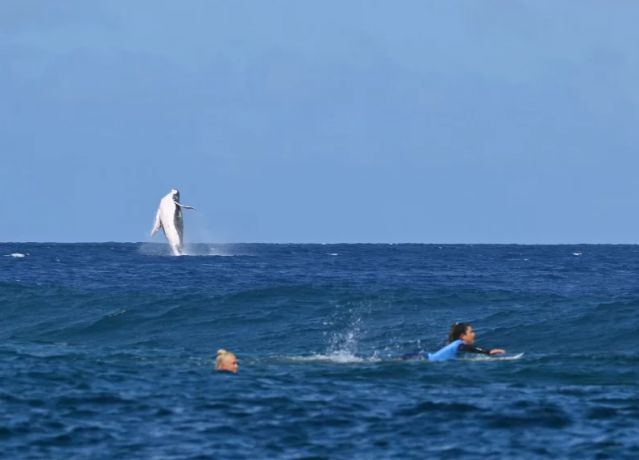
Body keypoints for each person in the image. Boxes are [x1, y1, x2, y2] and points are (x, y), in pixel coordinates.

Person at [402, 322, 505, 361]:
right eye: (471, 332)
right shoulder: (460, 345)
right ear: (463, 336)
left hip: (422, 356)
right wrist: (487, 352)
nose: (474, 334)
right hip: (420, 358)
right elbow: (469, 348)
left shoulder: (455, 344)